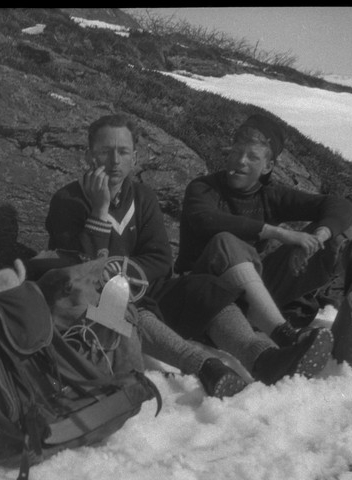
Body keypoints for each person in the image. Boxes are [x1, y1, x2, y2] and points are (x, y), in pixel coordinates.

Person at [46, 114, 333, 396]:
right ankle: (206, 368)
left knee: (205, 287)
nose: (114, 161)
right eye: (104, 152)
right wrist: (99, 212)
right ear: (88, 157)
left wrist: (121, 273)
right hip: (97, 304)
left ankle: (263, 358)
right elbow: (82, 271)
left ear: (135, 158)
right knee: (119, 301)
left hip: (146, 288)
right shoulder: (67, 201)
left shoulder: (142, 196)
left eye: (123, 152)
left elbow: (160, 260)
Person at [177, 113, 352, 346]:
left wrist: (317, 238)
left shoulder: (269, 195)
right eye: (236, 152)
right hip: (201, 294)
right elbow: (205, 219)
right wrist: (279, 233)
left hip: (250, 295)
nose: (241, 161)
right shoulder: (203, 187)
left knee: (341, 235)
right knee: (226, 241)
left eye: (252, 157)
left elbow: (342, 206)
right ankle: (282, 334)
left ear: (268, 166)